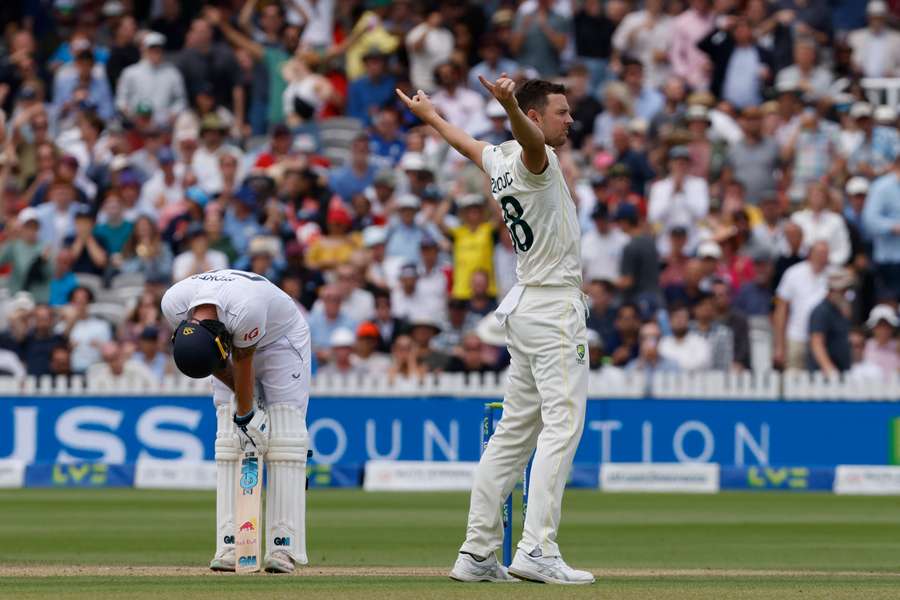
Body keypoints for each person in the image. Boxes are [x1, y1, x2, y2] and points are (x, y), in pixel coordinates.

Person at [397, 76, 593, 584]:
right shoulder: (534, 156)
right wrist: (508, 104)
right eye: (561, 112)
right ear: (534, 117)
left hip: (526, 307)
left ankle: (478, 553)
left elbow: (465, 144)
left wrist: (432, 117)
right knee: (562, 427)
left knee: (511, 437)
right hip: (552, 309)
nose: (570, 120)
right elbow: (529, 139)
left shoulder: (500, 160)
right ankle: (536, 549)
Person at [162, 268, 312, 574]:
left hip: (282, 340)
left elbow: (243, 359)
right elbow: (212, 362)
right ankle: (230, 544)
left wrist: (248, 416)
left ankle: (283, 547)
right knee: (229, 435)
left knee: (284, 435)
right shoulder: (173, 304)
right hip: (233, 342)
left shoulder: (246, 310)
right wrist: (244, 418)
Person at [773, 240, 829, 370]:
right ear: (810, 254)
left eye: (825, 253)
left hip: (823, 341)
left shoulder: (834, 276)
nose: (822, 257)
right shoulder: (793, 273)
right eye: (819, 253)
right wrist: (779, 345)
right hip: (796, 336)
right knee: (792, 381)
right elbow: (781, 310)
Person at [807, 268, 854, 375]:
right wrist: (829, 368)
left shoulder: (840, 310)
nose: (846, 294)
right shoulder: (821, 311)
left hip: (840, 372)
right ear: (832, 290)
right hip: (824, 376)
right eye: (843, 290)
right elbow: (816, 343)